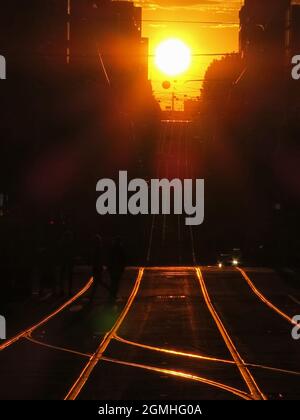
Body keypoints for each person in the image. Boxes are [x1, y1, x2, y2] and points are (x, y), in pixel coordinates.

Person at [108, 237, 126, 303]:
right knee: (116, 282)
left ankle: (112, 294)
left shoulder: (113, 249)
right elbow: (123, 259)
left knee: (113, 282)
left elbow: (110, 258)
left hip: (114, 268)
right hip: (117, 268)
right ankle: (113, 294)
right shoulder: (120, 249)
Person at [58, 230, 75, 296]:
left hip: (64, 260)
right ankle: (68, 291)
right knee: (68, 276)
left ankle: (62, 290)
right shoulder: (70, 243)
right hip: (68, 260)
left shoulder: (63, 243)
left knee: (63, 276)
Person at [89, 234, 104, 303]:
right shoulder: (98, 248)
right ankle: (91, 296)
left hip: (96, 267)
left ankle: (91, 296)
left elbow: (97, 259)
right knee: (98, 281)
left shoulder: (97, 248)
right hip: (97, 267)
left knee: (97, 281)